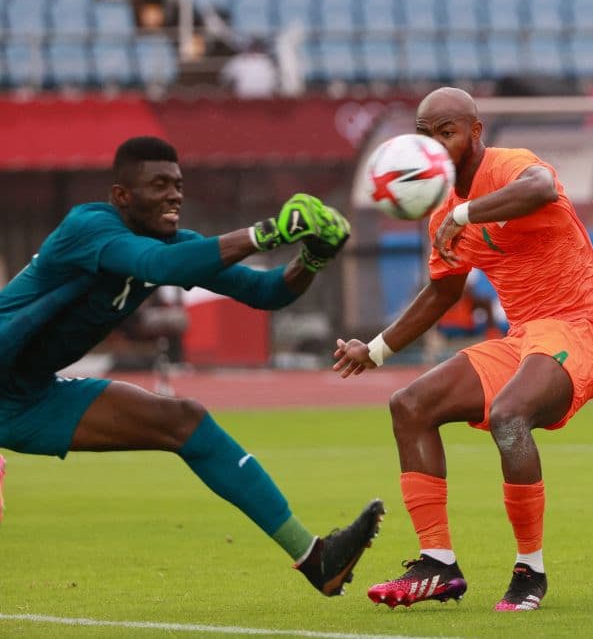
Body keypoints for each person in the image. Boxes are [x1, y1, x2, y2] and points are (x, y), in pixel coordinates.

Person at [0, 136, 383, 596]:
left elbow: (267, 292)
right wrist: (266, 233)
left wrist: (313, 257)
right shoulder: (89, 226)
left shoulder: (177, 246)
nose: (174, 195)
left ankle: (317, 559)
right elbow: (157, 264)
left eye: (178, 185)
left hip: (28, 394)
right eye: (159, 184)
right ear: (122, 196)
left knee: (184, 421)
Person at [333, 87, 593, 612]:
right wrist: (374, 351)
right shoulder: (440, 210)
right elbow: (442, 292)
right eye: (426, 135)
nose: (437, 144)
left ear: (475, 132)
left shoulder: (508, 166)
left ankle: (530, 571)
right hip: (524, 338)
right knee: (410, 406)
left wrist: (466, 214)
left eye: (447, 132)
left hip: (582, 328)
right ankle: (437, 564)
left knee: (509, 415)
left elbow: (540, 188)